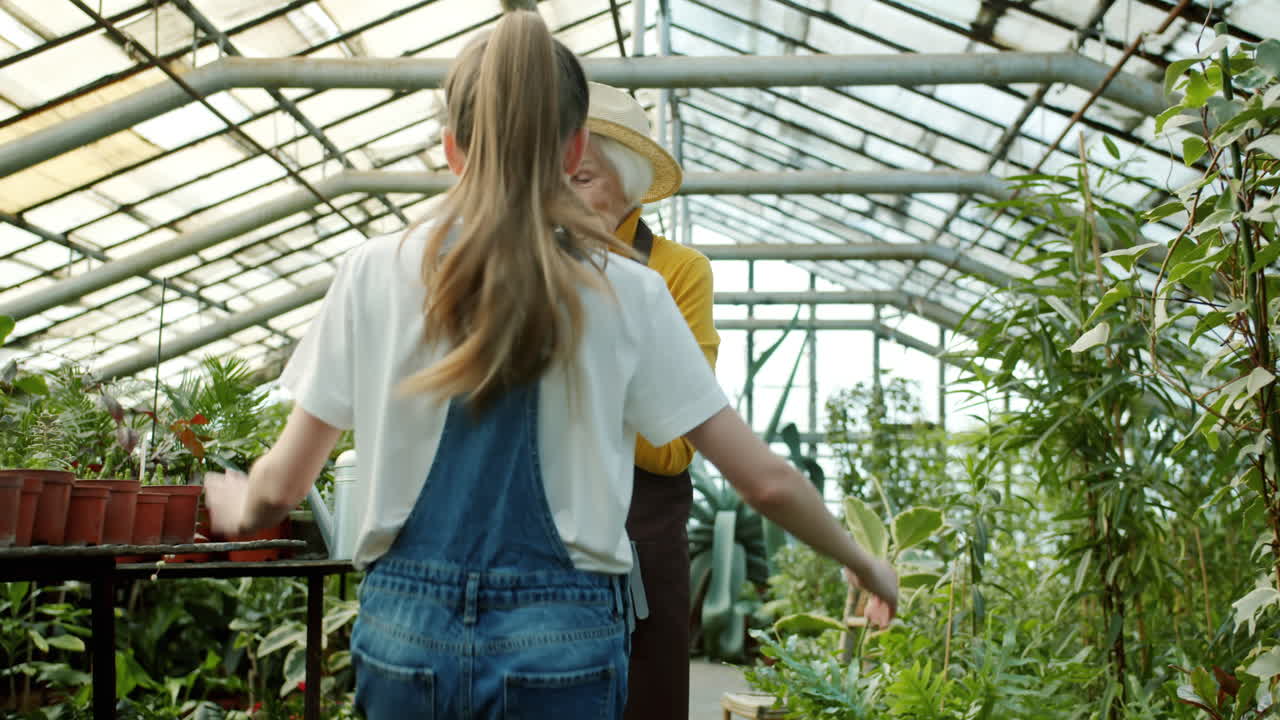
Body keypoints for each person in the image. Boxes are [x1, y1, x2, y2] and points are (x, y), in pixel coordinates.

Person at [203, 10, 898, 719]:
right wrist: (864, 559)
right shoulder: (627, 290)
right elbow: (768, 483)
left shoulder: (372, 272)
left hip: (407, 637)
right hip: (562, 641)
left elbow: (284, 484)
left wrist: (238, 502)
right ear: (574, 151)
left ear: (451, 149)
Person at [570, 81, 717, 720]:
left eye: (579, 177)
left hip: (638, 551)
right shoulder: (523, 267)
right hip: (539, 552)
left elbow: (672, 447)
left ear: (628, 183)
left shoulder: (675, 272)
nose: (556, 195)